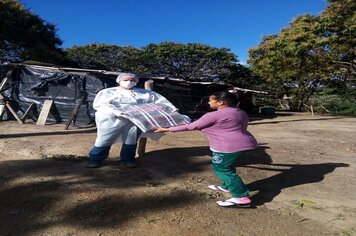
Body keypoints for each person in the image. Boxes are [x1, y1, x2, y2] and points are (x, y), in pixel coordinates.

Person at [154, 90, 257, 207]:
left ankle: (241, 196)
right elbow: (223, 126)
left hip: (226, 147)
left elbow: (191, 127)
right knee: (228, 166)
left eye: (211, 100)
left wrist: (167, 129)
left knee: (222, 169)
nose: (209, 102)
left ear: (221, 102)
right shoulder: (240, 112)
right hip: (246, 143)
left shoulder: (213, 115)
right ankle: (226, 186)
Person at [87, 73, 177, 168]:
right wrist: (115, 111)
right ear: (119, 81)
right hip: (112, 119)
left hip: (135, 120)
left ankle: (127, 160)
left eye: (132, 80)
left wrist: (171, 108)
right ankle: (95, 159)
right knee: (105, 139)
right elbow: (101, 105)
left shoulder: (145, 93)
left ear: (136, 82)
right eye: (125, 80)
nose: (129, 82)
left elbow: (160, 101)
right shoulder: (108, 92)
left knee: (131, 139)